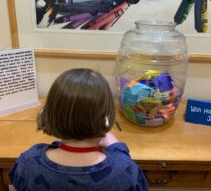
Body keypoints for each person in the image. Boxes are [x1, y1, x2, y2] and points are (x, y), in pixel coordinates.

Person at [9, 68, 149, 191]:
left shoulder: (29, 162)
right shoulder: (125, 170)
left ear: (51, 114)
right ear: (107, 117)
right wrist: (117, 147)